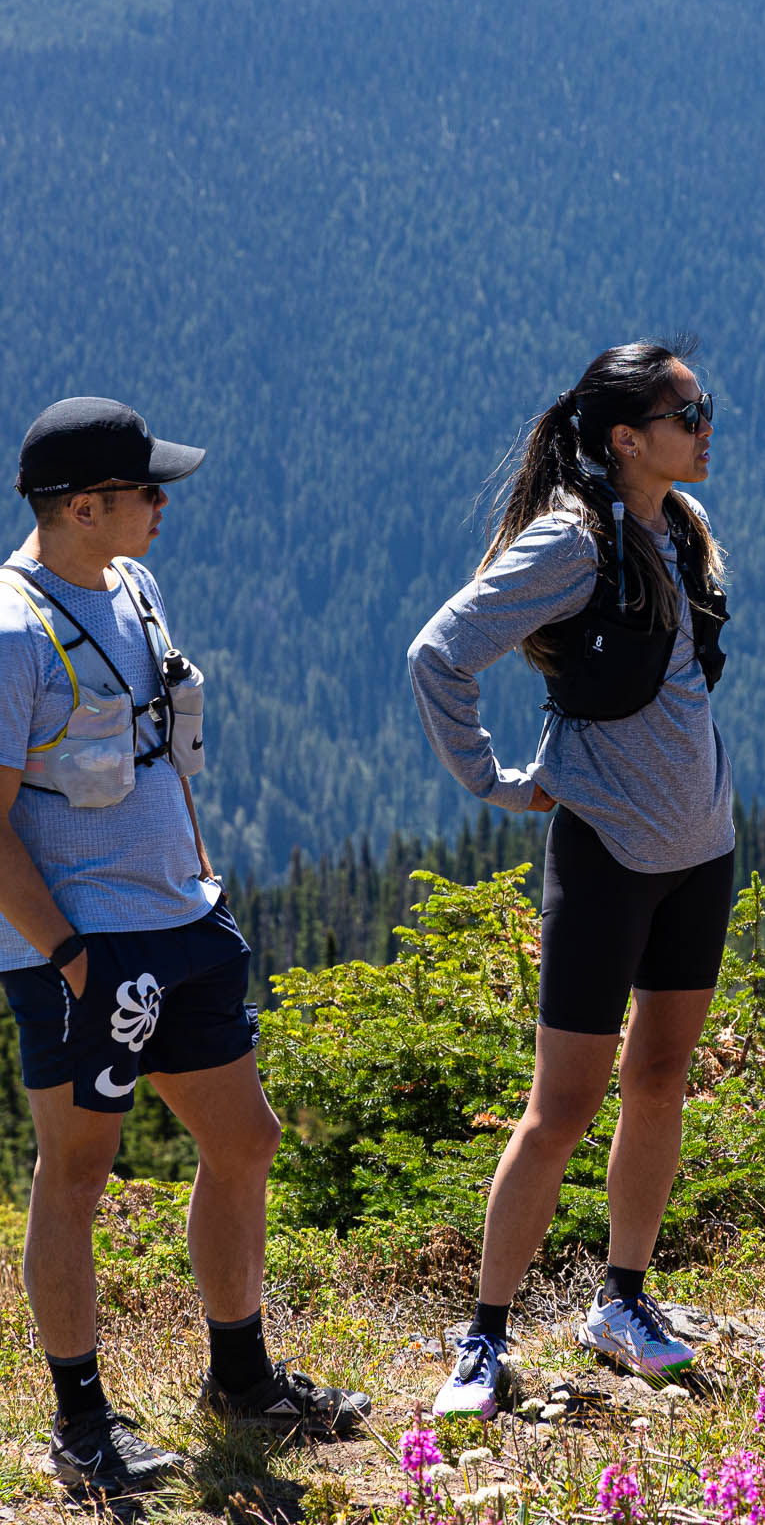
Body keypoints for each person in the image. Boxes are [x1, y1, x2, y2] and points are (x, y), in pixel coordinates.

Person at [0, 398, 370, 1500]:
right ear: (81, 505)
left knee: (245, 1140)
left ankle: (242, 1380)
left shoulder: (132, 587)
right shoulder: (13, 633)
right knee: (77, 1174)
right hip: (87, 950)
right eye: (145, 490)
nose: (164, 505)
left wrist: (200, 897)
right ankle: (80, 1430)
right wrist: (70, 956)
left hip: (182, 919)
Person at [408, 339, 733, 1417]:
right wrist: (496, 783)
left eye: (705, 408)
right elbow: (440, 652)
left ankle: (621, 1301)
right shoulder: (573, 539)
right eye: (689, 411)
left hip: (701, 846)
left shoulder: (675, 528)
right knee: (560, 1109)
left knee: (660, 1081)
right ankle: (484, 1340)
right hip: (603, 848)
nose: (706, 425)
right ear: (626, 437)